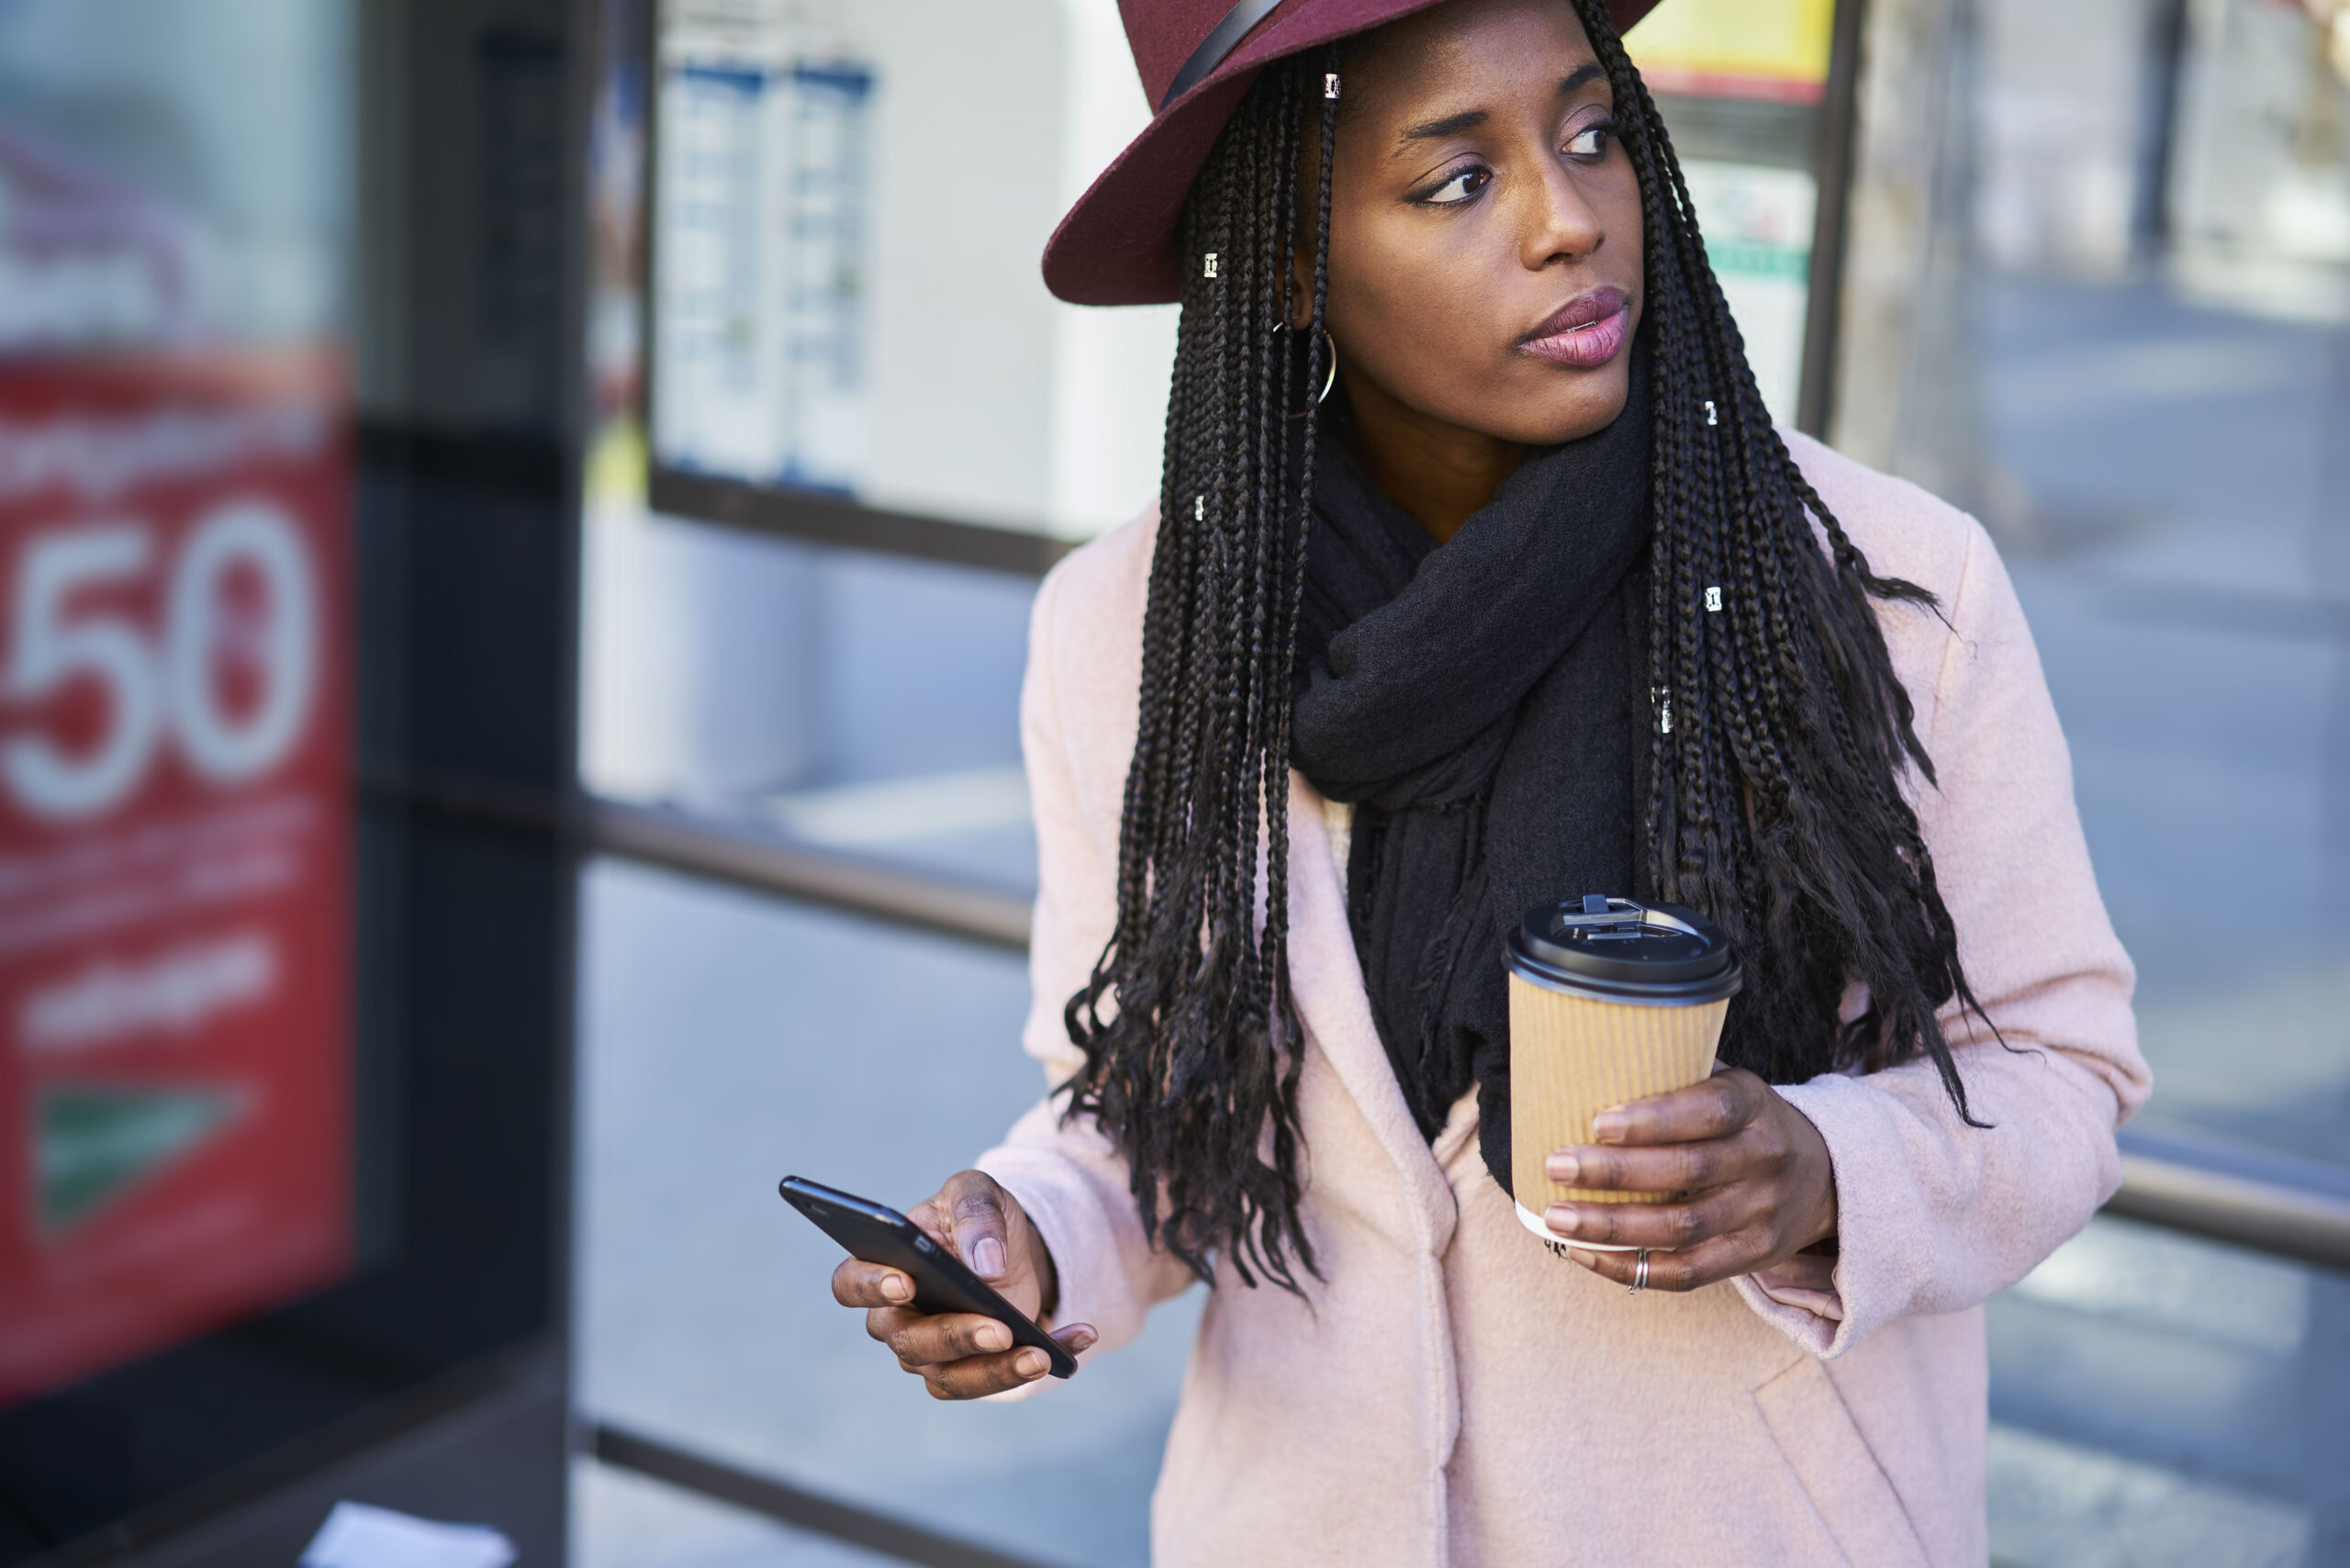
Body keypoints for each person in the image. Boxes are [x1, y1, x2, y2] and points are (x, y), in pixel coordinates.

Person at [829, 0, 2148, 1561]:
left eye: (1593, 134)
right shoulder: (1130, 630)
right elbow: (1149, 1111)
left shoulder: (1884, 589)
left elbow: (2065, 1072)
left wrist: (1822, 1172)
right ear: (1292, 264)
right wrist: (1031, 1236)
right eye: (1457, 181)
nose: (1572, 218)